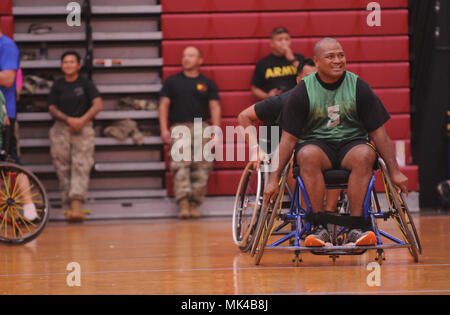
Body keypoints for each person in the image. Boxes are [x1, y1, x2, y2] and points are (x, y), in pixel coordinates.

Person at [264, 38, 408, 247]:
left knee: (365, 155)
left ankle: (356, 227)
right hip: (317, 144)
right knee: (306, 155)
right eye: (330, 56)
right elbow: (288, 139)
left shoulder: (358, 86)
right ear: (317, 62)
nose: (337, 60)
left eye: (341, 55)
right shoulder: (303, 90)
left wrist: (394, 171)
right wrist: (273, 178)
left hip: (352, 143)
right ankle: (319, 226)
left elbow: (379, 133)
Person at [239, 58, 341, 212]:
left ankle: (330, 212)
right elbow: (243, 117)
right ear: (299, 81)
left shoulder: (334, 102)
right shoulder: (283, 100)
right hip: (290, 152)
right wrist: (255, 148)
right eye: (309, 78)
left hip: (323, 152)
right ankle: (308, 212)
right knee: (294, 158)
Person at [159, 46, 221, 219]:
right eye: (184, 55)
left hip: (201, 127)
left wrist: (216, 131)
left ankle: (195, 203)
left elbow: (214, 107)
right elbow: (163, 105)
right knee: (180, 166)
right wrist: (164, 129)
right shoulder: (172, 82)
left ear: (200, 60)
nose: (186, 58)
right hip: (179, 127)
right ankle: (184, 204)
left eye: (191, 55)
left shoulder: (207, 83)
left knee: (202, 167)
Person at [48, 51, 103, 223]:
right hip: (61, 129)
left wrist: (81, 121)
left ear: (78, 65)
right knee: (62, 166)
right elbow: (51, 108)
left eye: (72, 62)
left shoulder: (86, 83)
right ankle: (68, 207)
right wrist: (68, 120)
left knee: (81, 164)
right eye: (65, 62)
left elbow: (98, 104)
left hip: (83, 128)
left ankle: (77, 207)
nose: (68, 65)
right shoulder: (58, 85)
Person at [251, 27, 305, 101]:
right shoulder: (263, 63)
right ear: (272, 43)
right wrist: (268, 96)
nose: (284, 43)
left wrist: (292, 59)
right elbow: (255, 89)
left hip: (297, 102)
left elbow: (308, 77)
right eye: (279, 40)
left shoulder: (299, 59)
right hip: (274, 105)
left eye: (286, 39)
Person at [0, 25, 20, 163]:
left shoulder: (7, 46)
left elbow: (8, 79)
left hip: (4, 115)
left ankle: (27, 185)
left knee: (11, 160)